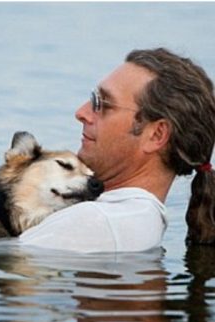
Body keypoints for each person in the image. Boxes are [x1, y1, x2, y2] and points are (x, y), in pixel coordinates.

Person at [19, 48, 215, 253]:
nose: (81, 112)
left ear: (156, 135)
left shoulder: (97, 222)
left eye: (103, 104)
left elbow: (2, 265)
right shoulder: (137, 219)